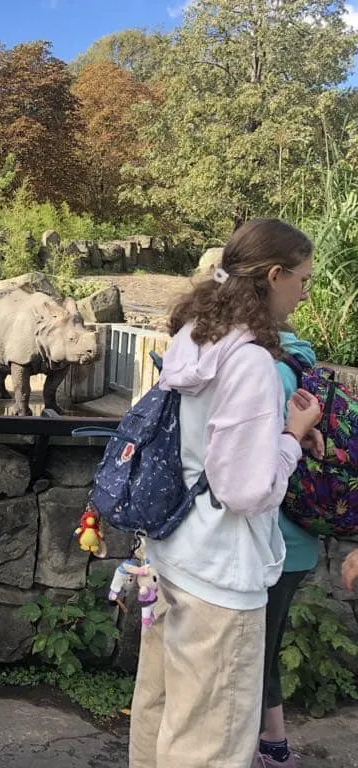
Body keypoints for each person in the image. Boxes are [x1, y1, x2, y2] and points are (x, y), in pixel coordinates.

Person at [128, 218, 324, 768]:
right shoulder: (253, 362)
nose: (306, 292)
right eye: (303, 280)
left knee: (161, 716)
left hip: (175, 556)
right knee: (209, 743)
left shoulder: (195, 337)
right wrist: (292, 436)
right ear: (275, 275)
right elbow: (245, 489)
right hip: (223, 578)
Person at [255, 327, 324, 768]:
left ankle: (271, 749)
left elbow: (257, 470)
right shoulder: (304, 366)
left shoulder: (269, 373)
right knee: (264, 647)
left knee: (254, 653)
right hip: (301, 538)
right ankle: (273, 745)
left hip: (272, 540)